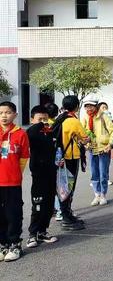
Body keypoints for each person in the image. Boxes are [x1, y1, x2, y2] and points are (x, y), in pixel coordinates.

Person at [52, 95, 89, 231]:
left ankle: (66, 213)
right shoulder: (73, 121)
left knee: (62, 186)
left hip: (59, 158)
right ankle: (66, 217)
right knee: (68, 187)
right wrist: (86, 139)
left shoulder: (60, 118)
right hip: (70, 158)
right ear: (76, 106)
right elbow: (85, 139)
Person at [0, 101, 29, 262]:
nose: (4, 116)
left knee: (13, 214)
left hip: (12, 183)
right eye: (1, 112)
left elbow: (24, 158)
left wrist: (14, 174)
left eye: (8, 112)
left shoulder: (20, 134)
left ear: (15, 115)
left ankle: (14, 245)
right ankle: (3, 245)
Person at [26, 106, 58, 249]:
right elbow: (30, 133)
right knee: (38, 205)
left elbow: (57, 149)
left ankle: (42, 231)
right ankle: (32, 234)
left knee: (49, 204)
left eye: (45, 119)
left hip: (51, 172)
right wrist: (39, 125)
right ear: (32, 120)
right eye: (40, 119)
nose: (44, 122)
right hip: (38, 174)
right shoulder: (31, 133)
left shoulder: (50, 132)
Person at [81, 96, 113, 206]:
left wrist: (110, 144)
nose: (88, 108)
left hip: (103, 149)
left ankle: (103, 195)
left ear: (96, 105)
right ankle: (96, 194)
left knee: (103, 173)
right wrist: (85, 143)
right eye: (86, 106)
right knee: (94, 173)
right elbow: (82, 132)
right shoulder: (85, 117)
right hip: (92, 149)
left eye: (90, 105)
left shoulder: (103, 116)